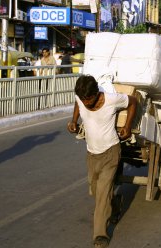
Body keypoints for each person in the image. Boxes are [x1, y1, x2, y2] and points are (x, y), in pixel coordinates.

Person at [67, 75, 137, 247]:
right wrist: (74, 120)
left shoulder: (111, 100)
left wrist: (127, 126)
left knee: (101, 195)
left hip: (110, 152)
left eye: (88, 99)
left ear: (97, 93)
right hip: (92, 153)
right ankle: (115, 203)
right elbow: (78, 103)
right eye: (83, 99)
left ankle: (100, 234)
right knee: (96, 190)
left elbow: (133, 101)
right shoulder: (81, 98)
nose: (86, 103)